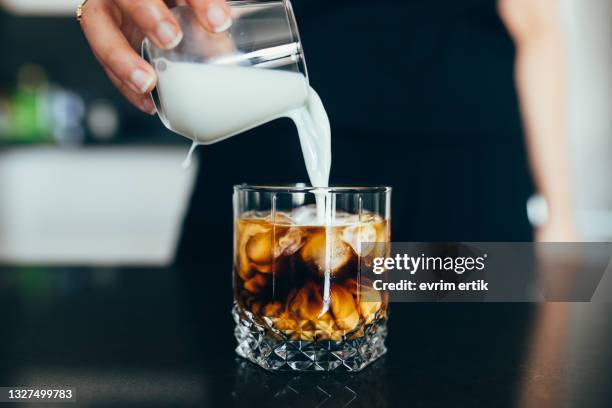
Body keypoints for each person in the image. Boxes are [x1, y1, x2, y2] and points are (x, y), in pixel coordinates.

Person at [78, 0, 577, 270]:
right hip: (267, 150)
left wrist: (562, 217)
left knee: (478, 373)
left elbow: (537, 26)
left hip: (464, 182)